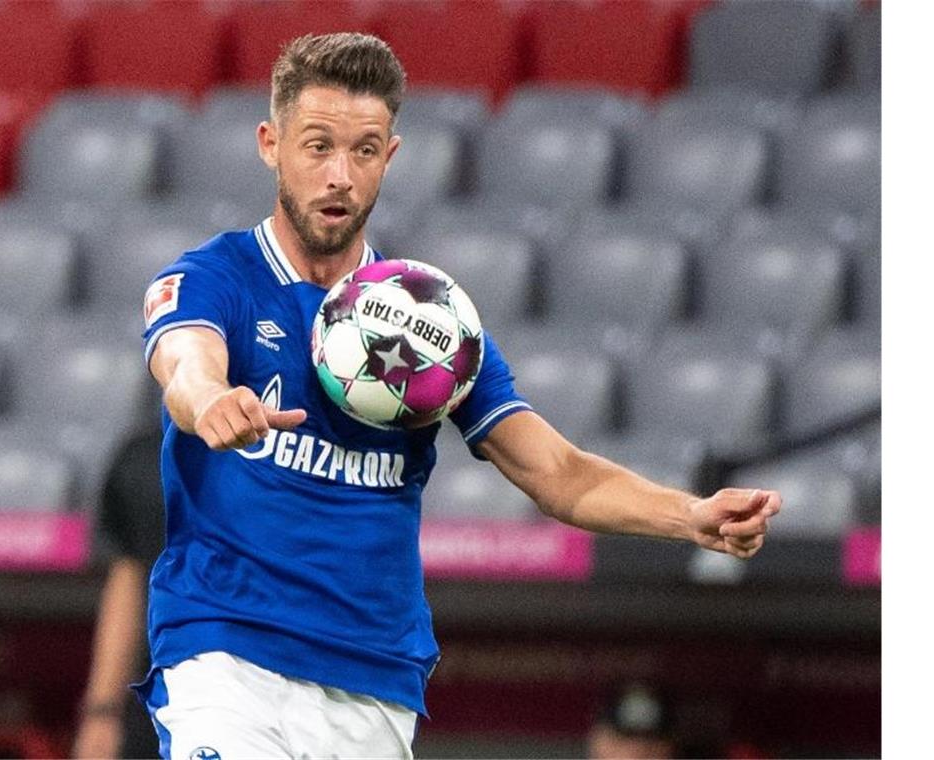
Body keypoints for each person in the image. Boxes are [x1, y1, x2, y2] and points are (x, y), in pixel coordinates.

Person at [136, 32, 782, 759]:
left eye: (365, 150)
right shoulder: (216, 276)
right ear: (270, 143)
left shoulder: (429, 319)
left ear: (392, 156)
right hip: (227, 650)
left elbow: (555, 472)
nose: (340, 175)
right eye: (317, 147)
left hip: (371, 674)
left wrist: (690, 516)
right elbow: (184, 360)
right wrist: (211, 399)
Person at [72, 429, 164, 759]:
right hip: (155, 698)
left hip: (272, 696)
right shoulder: (143, 456)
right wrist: (102, 712)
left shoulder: (298, 454)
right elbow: (127, 581)